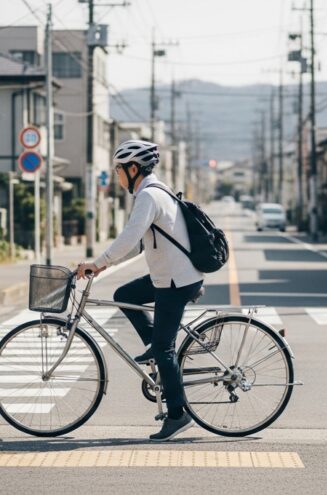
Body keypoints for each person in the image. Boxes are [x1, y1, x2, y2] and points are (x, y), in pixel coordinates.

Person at [76, 139, 204, 442]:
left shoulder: (148, 195)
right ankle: (155, 349)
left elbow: (129, 235)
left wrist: (96, 262)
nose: (118, 176)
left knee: (165, 348)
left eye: (119, 170)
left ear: (133, 168)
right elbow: (139, 243)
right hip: (169, 276)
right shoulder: (156, 192)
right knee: (125, 295)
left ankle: (177, 413)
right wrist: (104, 265)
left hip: (176, 280)